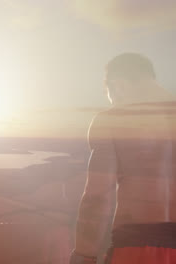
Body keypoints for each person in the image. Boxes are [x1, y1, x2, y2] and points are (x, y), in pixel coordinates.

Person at [71, 53, 176, 264]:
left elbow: (98, 197)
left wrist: (84, 254)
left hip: (137, 249)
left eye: (109, 94)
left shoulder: (112, 121)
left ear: (118, 85)